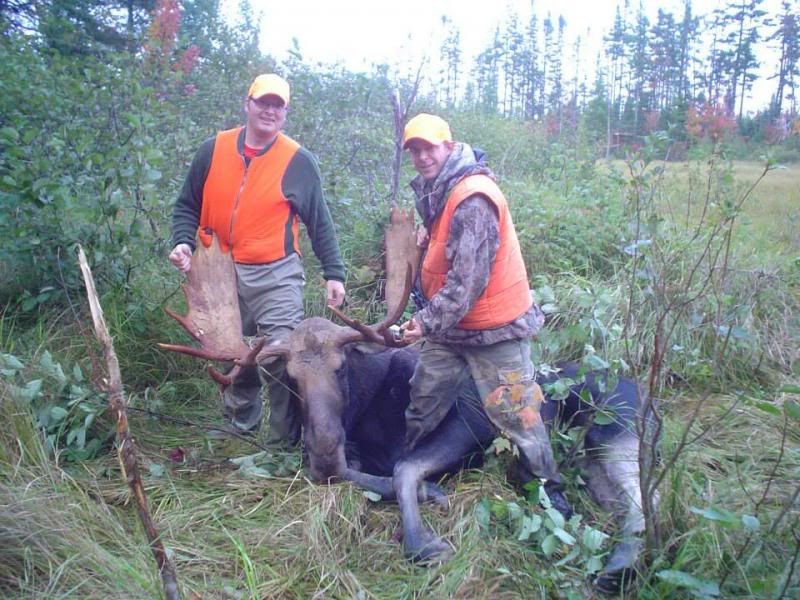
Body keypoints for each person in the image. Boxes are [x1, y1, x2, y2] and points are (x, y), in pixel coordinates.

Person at [398, 113, 571, 516]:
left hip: (497, 332)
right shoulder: (438, 189)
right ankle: (408, 470)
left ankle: (549, 498)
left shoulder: (473, 198)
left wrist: (424, 322)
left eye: (429, 147)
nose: (422, 156)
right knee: (422, 403)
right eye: (415, 150)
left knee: (520, 416)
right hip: (452, 330)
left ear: (448, 145)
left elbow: (468, 282)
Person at [169, 73, 346, 443]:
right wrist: (183, 243)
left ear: (285, 113)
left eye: (278, 105)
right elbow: (186, 205)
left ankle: (284, 442)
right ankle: (240, 429)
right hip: (217, 271)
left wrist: (334, 272)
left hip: (275, 273)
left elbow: (319, 221)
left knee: (280, 354)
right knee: (231, 351)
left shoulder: (297, 160)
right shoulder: (213, 149)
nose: (270, 111)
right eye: (263, 102)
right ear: (247, 104)